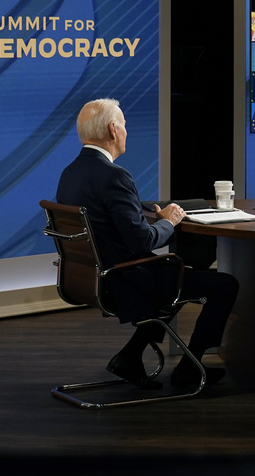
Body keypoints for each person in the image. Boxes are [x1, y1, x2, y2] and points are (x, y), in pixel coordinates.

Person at [58, 99, 238, 390]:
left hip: (93, 277)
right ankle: (190, 369)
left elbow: (106, 218)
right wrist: (170, 221)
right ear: (114, 129)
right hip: (125, 280)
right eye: (125, 125)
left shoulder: (70, 173)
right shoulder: (115, 175)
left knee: (178, 275)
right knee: (223, 284)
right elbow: (142, 240)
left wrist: (143, 212)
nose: (127, 131)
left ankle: (130, 356)